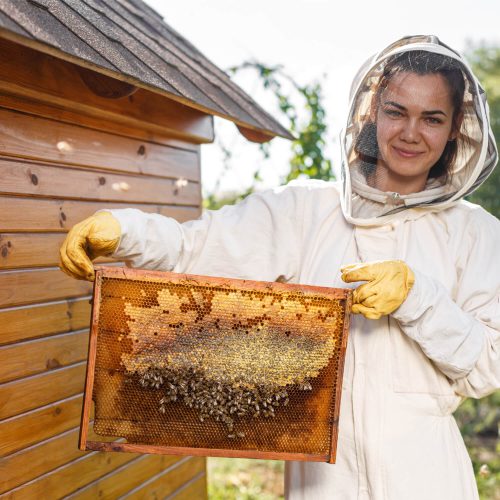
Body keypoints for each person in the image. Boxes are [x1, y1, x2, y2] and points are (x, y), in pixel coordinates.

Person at [60, 35, 500, 500]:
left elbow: (488, 367)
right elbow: (196, 248)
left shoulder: (476, 233)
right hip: (324, 484)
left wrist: (418, 299)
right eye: (396, 111)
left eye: (432, 118)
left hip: (427, 479)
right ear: (372, 111)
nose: (411, 133)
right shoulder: (306, 208)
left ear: (456, 127)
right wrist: (126, 231)